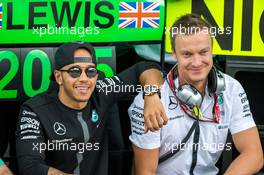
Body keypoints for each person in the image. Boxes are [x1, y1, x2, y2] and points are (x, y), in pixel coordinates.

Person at [129, 14, 263, 175]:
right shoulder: (151, 100)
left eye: (203, 52)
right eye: (187, 54)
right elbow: (145, 172)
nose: (197, 62)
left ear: (213, 50)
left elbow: (254, 154)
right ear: (174, 54)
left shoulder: (231, 89)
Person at [16, 42, 167, 175]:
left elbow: (146, 68)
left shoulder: (100, 92)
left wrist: (151, 95)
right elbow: (30, 166)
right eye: (74, 71)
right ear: (58, 77)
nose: (84, 79)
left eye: (90, 71)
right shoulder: (34, 110)